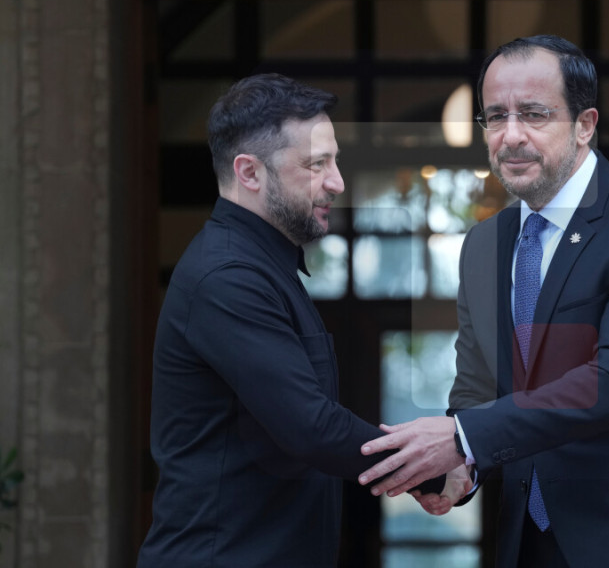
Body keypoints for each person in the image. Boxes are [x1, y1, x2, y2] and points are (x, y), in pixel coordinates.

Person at [358, 36, 609, 567]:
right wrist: (461, 468)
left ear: (585, 124)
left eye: (534, 114)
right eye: (495, 117)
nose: (511, 135)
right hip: (528, 544)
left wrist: (463, 438)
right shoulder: (483, 244)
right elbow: (477, 388)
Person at [136, 73, 448, 568]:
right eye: (316, 164)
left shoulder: (262, 266)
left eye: (334, 161)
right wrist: (433, 465)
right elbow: (314, 429)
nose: (337, 182)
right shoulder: (229, 276)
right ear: (249, 172)